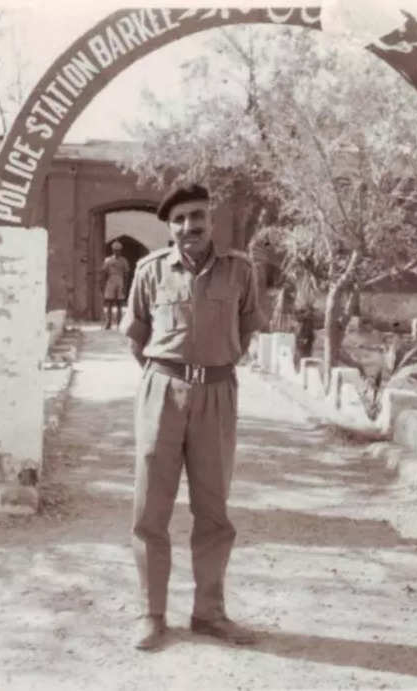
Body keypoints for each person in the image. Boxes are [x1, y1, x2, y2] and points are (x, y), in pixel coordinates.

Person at [120, 183, 265, 651]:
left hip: (218, 394)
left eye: (197, 216)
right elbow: (135, 337)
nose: (189, 227)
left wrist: (209, 374)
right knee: (150, 510)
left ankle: (209, 612)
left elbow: (246, 330)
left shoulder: (240, 271)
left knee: (213, 511)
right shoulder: (150, 272)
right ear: (169, 227)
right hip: (161, 390)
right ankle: (151, 613)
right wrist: (171, 378)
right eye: (179, 220)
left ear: (211, 219)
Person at [100, 240, 130, 329]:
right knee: (109, 303)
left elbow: (126, 274)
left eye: (118, 250)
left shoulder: (124, 261)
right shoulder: (108, 260)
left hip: (120, 281)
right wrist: (103, 284)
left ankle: (119, 323)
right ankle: (108, 323)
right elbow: (104, 273)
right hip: (110, 281)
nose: (117, 252)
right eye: (115, 250)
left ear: (121, 251)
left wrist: (125, 286)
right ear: (112, 250)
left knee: (119, 304)